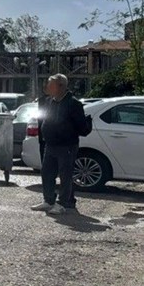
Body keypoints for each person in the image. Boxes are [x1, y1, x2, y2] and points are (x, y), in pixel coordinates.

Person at [30, 74, 87, 216]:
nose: (47, 87)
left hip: (67, 145)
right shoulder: (50, 102)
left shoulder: (73, 104)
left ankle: (63, 203)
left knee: (65, 175)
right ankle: (48, 200)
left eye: (51, 84)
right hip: (50, 144)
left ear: (61, 86)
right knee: (47, 173)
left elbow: (81, 126)